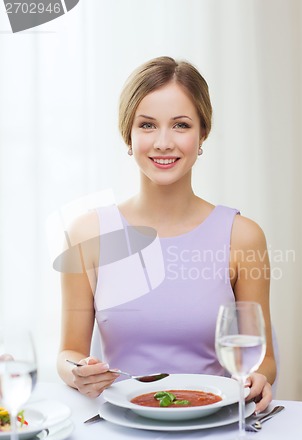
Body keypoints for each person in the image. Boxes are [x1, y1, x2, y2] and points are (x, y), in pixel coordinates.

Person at [57, 56, 276, 412]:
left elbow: (262, 359)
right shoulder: (87, 234)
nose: (163, 142)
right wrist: (77, 372)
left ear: (202, 134)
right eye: (146, 125)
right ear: (127, 134)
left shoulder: (242, 236)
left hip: (211, 425)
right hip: (122, 427)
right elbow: (68, 353)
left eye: (181, 125)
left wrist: (259, 378)